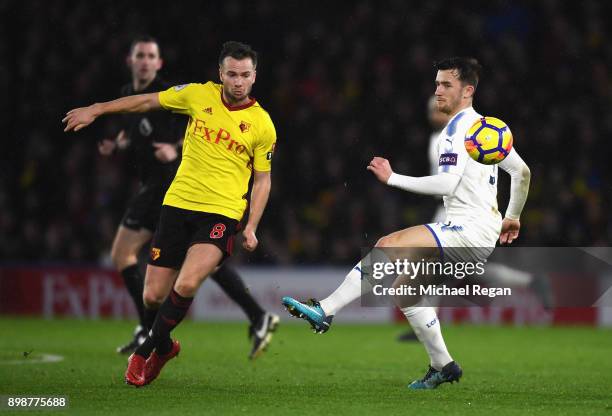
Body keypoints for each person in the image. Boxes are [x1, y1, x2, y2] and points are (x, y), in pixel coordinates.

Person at [282, 57, 531, 389]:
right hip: (480, 231)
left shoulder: (455, 131)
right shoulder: (489, 128)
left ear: (468, 90)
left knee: (387, 245)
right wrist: (512, 216)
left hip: (466, 229)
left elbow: (447, 184)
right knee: (406, 290)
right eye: (437, 83)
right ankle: (443, 365)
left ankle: (325, 310)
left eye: (446, 85)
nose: (437, 90)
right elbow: (521, 172)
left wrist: (393, 178)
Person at [64, 41, 277, 386]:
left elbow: (262, 180)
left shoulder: (262, 124)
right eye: (232, 74)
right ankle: (164, 348)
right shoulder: (196, 95)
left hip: (221, 214)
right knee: (152, 295)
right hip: (177, 205)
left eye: (245, 75)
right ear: (221, 73)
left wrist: (251, 225)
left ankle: (144, 351)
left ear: (255, 76)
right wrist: (98, 108)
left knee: (188, 281)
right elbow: (148, 101)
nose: (239, 82)